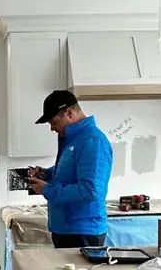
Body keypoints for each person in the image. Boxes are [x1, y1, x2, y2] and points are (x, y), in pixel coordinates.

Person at [28, 89, 113, 248]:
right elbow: (72, 171)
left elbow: (91, 190)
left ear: (69, 113)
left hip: (83, 233)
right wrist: (47, 174)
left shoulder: (93, 140)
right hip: (67, 229)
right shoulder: (74, 139)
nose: (52, 128)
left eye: (53, 122)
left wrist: (47, 190)